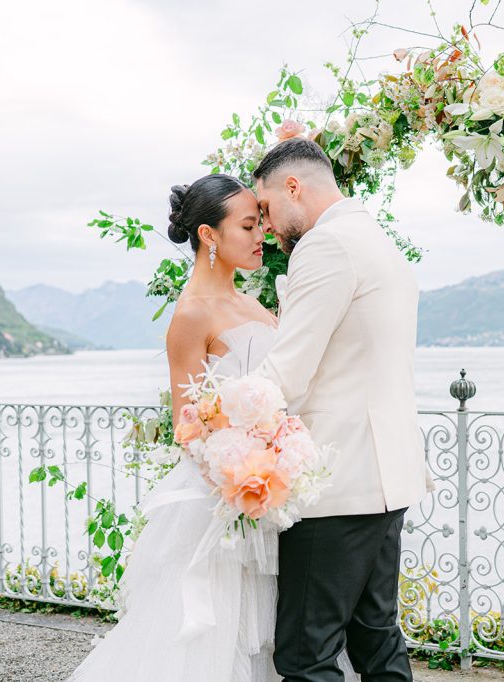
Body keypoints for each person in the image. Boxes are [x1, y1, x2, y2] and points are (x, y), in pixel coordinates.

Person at [67, 173, 358, 681]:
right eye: (248, 226)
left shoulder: (253, 303)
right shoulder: (191, 316)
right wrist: (243, 468)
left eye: (261, 223)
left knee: (278, 633)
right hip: (223, 502)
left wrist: (281, 456)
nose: (260, 235)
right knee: (216, 637)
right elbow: (189, 423)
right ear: (209, 236)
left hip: (274, 493)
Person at [253, 137, 429, 681]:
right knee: (375, 640)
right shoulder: (377, 240)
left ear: (293, 187)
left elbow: (288, 371)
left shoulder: (326, 246)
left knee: (307, 654)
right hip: (386, 478)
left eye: (264, 208)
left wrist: (218, 414)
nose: (265, 225)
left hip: (335, 483)